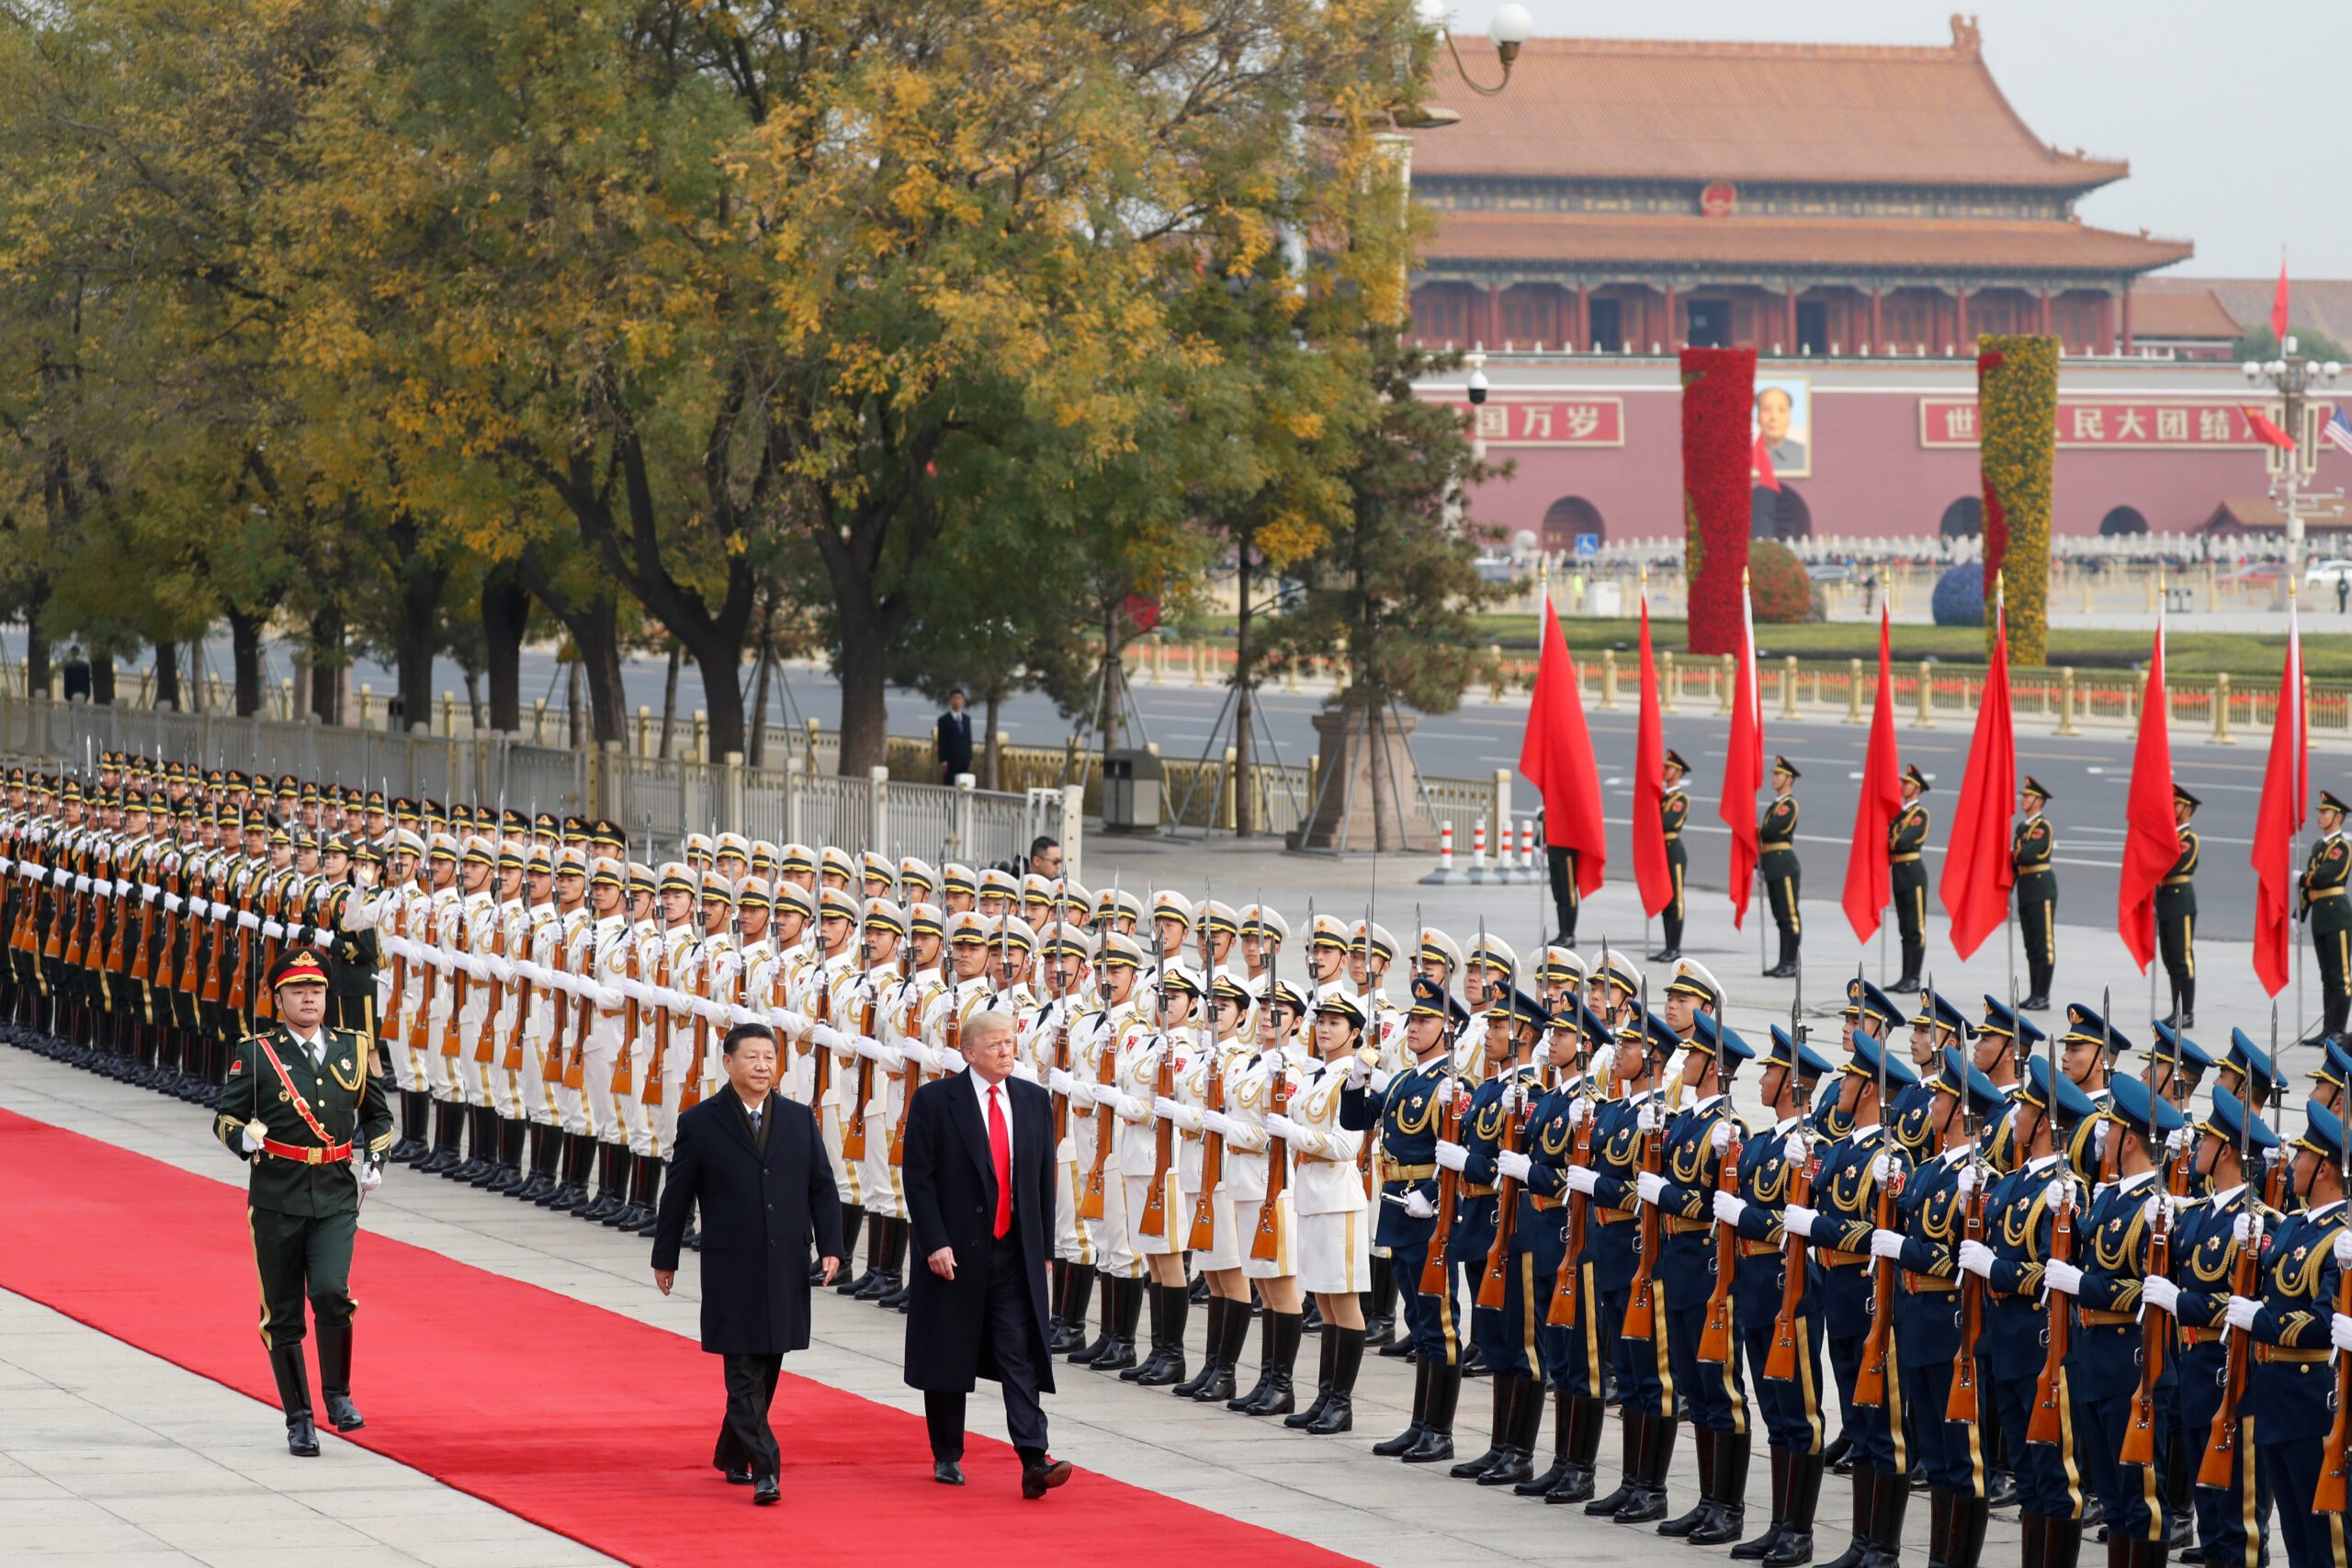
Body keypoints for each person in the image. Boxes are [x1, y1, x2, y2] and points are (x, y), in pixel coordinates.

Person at [650, 1021, 844, 1506]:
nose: (762, 1066)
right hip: (731, 1266)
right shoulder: (700, 1122)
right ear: (729, 1062)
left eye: (769, 1059)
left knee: (768, 1365)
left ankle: (733, 1454)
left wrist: (832, 1246)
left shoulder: (799, 1118)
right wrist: (665, 1256)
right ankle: (766, 1467)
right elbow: (678, 1196)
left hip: (785, 1264)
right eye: (752, 1057)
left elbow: (822, 1186)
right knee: (741, 1368)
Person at [211, 949, 394, 1456]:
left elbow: (377, 1117)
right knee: (284, 1313)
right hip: (276, 1198)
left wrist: (375, 1158)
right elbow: (225, 1119)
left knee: (333, 1292)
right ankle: (299, 1418)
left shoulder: (352, 1048)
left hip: (335, 1195)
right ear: (279, 999)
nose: (308, 997)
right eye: (297, 991)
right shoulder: (256, 1053)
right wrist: (242, 1139)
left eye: (315, 989)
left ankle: (337, 1395)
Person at [900, 1008, 1073, 1499]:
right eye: (995, 1045)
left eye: (1011, 1043)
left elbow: (1043, 1176)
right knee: (950, 1351)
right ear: (969, 1052)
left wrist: (1043, 1247)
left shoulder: (1033, 1100)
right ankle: (947, 1453)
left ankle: (1034, 1457)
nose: (1006, 1052)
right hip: (954, 1252)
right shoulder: (936, 1101)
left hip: (1013, 1249)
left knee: (1019, 1350)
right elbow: (919, 1177)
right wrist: (934, 1240)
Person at [2301, 790, 2351, 1045]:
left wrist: (2302, 878)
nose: (2320, 816)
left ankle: (2338, 1031)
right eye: (2320, 812)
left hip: (2337, 915)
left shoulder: (2341, 847)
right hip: (2321, 914)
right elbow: (2312, 887)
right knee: (2327, 976)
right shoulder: (2320, 846)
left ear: (2338, 817)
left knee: (2341, 976)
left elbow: (2324, 877)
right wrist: (2298, 914)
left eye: (2325, 812)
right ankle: (2327, 1029)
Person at [2158, 785, 2199, 1027]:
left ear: (2187, 809)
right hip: (2165, 899)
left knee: (2183, 958)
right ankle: (2177, 1010)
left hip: (2180, 900)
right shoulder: (2171, 837)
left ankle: (2187, 1013)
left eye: (2176, 804)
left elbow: (2174, 865)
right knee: (2170, 959)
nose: (2172, 808)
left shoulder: (2188, 839)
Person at [2014, 778, 2057, 1011]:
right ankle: (2034, 994)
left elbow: (2027, 854)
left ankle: (2043, 994)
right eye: (2024, 796)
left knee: (2043, 943)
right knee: (2031, 943)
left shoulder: (2043, 827)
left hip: (2041, 887)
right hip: (2026, 886)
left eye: (2029, 797)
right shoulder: (2023, 827)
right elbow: (2018, 856)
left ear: (2039, 801)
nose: (2024, 800)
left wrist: (2017, 853)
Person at [1889, 764, 1930, 991]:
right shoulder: (1900, 813)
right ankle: (1905, 976)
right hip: (1899, 873)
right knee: (1904, 928)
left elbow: (1903, 842)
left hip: (1912, 872)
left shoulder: (1919, 815)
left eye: (1906, 783)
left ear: (1917, 788)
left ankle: (1914, 977)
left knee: (1916, 928)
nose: (1902, 786)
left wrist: (1891, 841)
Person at [1760, 757, 1801, 979]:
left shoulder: (1788, 805)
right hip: (1772, 862)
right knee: (1780, 916)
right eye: (1774, 774)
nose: (1774, 778)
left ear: (1789, 778)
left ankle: (1791, 962)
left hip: (1784, 862)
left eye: (1779, 774)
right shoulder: (1774, 806)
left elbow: (1773, 830)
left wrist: (1759, 829)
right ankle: (1782, 961)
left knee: (1789, 916)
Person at [1649, 750, 1690, 962]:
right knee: (1665, 900)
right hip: (1661, 850)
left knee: (1676, 900)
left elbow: (1667, 823)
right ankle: (1667, 947)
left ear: (1678, 772)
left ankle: (1675, 947)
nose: (1664, 771)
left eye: (1669, 768)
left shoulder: (1680, 799)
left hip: (1673, 850)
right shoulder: (1662, 797)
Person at [935, 689, 974, 784]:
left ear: (963, 701)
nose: (957, 701)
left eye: (959, 698)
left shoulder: (966, 719)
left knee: (964, 785)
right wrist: (943, 761)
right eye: (954, 698)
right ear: (950, 700)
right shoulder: (944, 720)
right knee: (950, 786)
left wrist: (970, 758)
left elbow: (968, 740)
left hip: (964, 760)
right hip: (950, 761)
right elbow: (941, 742)